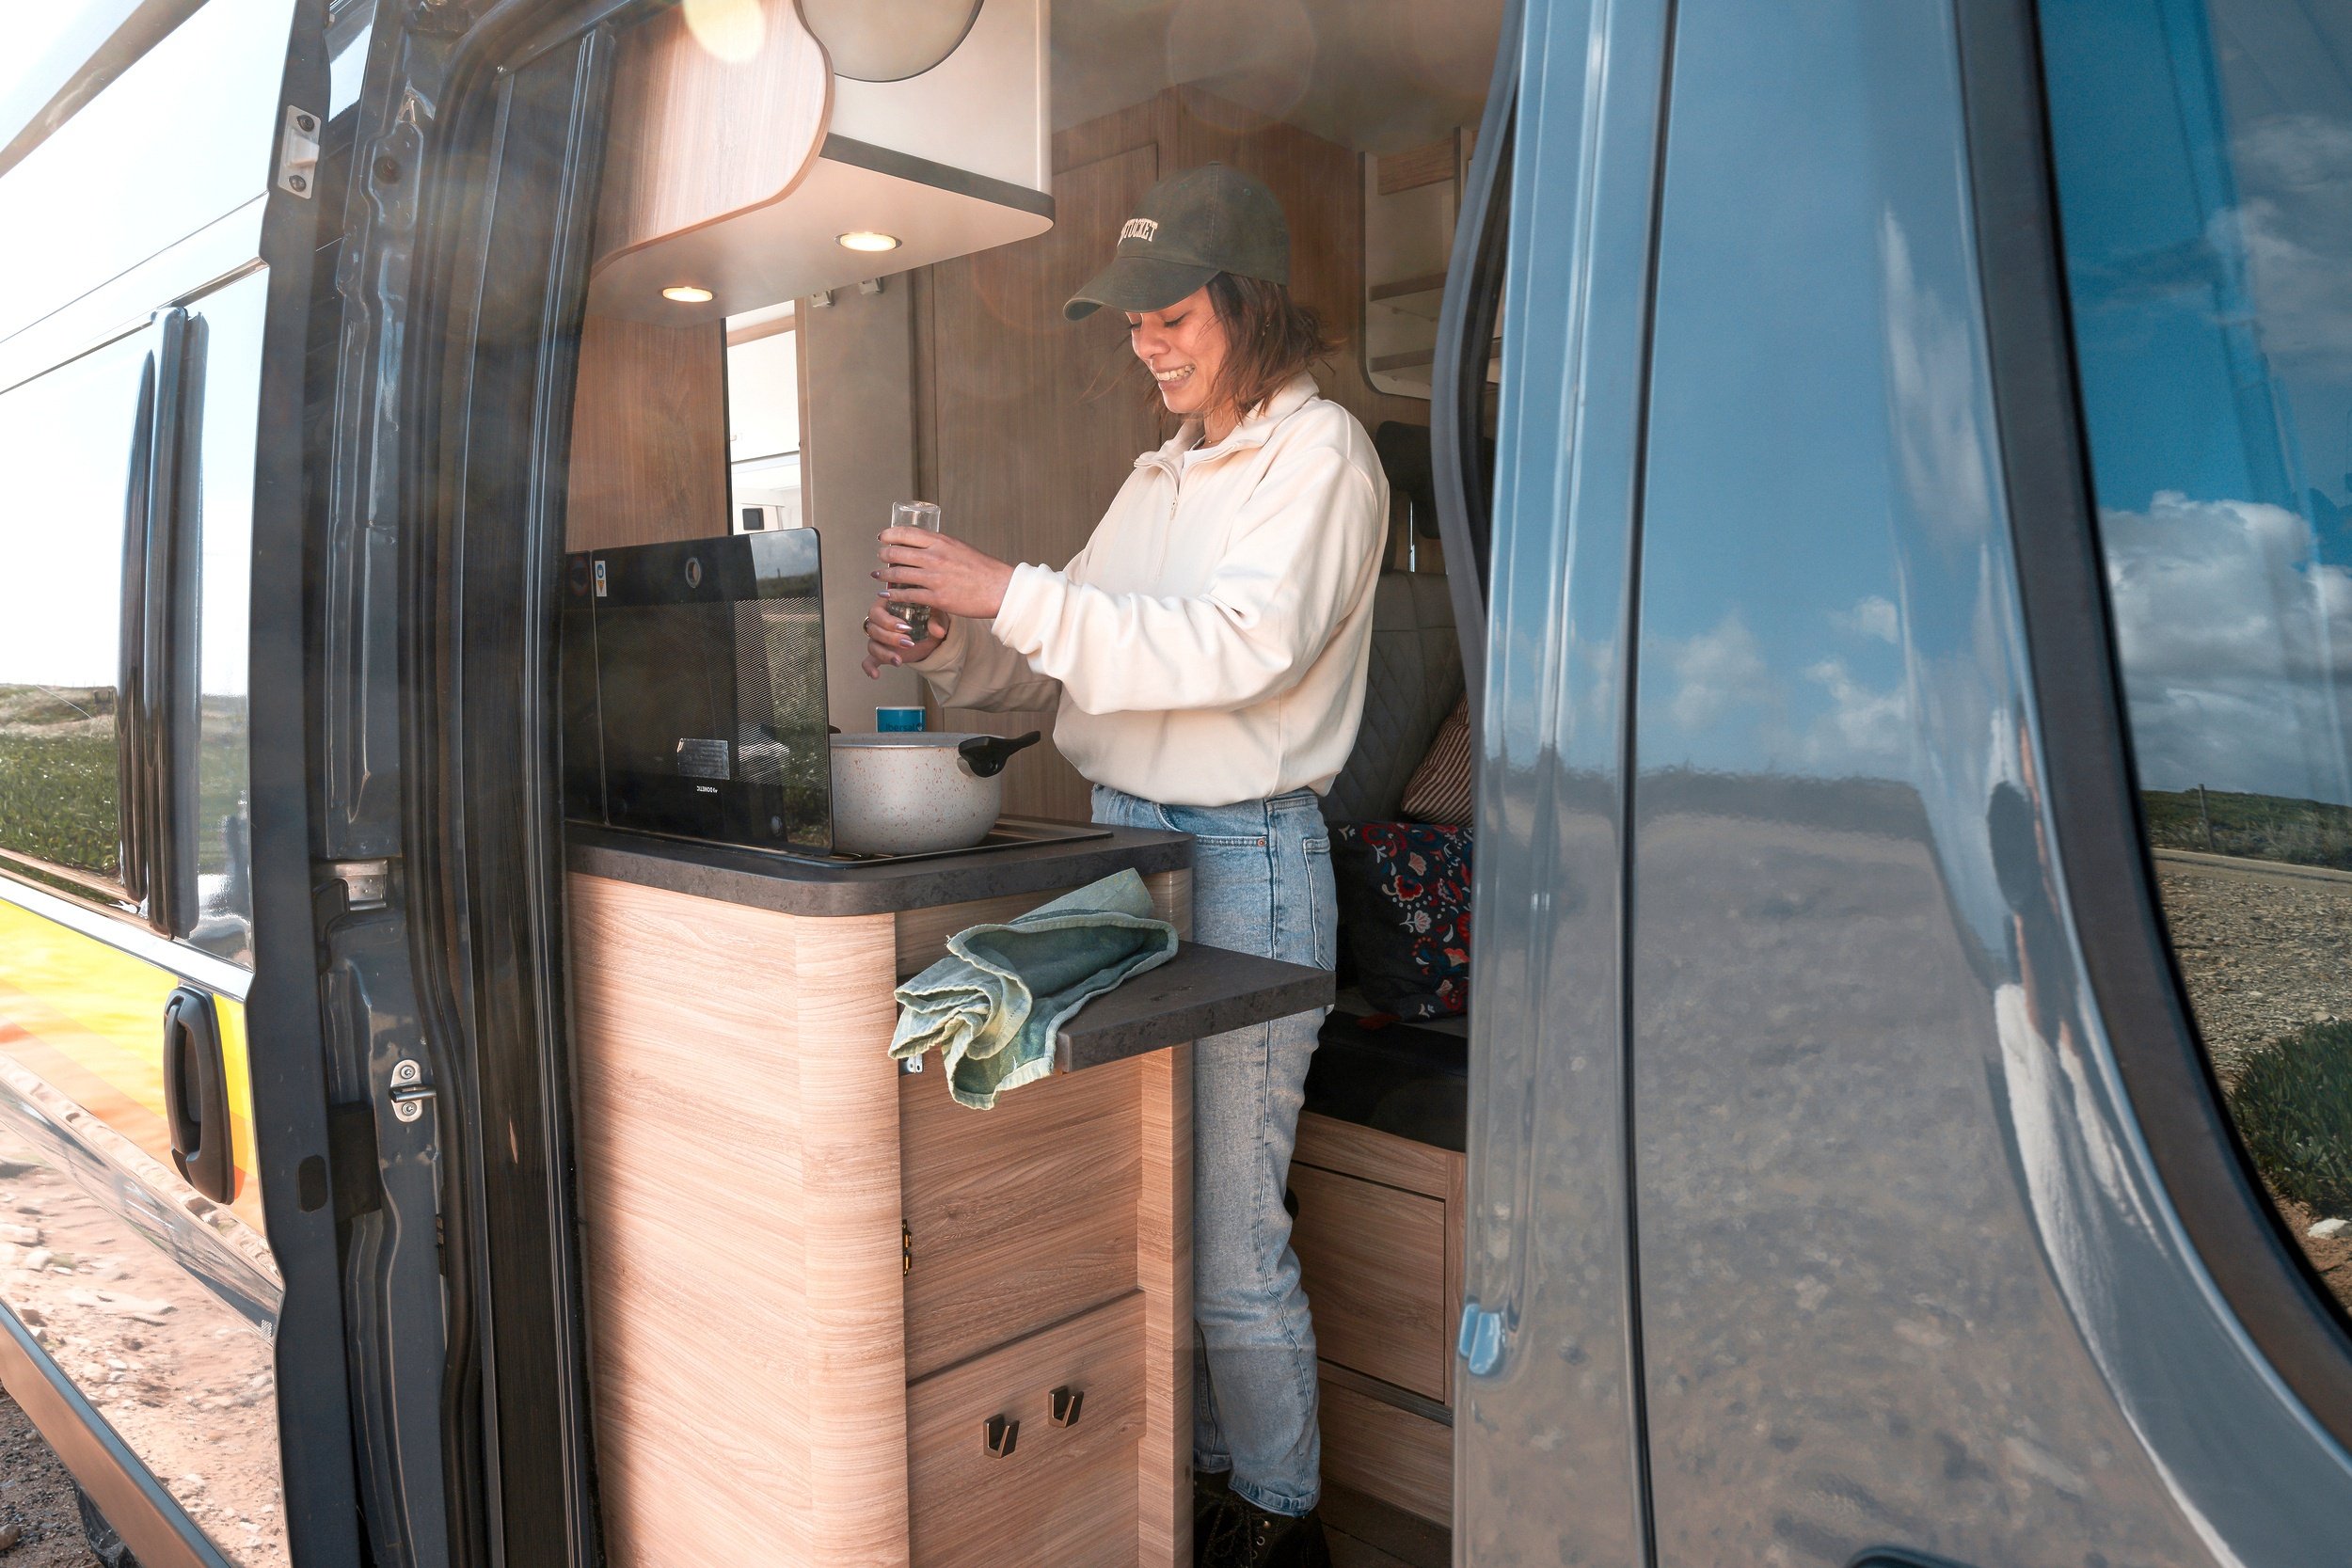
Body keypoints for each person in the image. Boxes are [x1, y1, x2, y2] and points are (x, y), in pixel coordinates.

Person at [862, 163, 1387, 1568]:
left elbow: (1235, 652)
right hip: (1133, 852)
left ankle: (1276, 1519)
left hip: (1248, 853)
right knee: (1157, 1219)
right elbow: (1063, 668)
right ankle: (1199, 1491)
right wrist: (957, 645)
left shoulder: (1322, 455)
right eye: (1134, 321)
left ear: (1249, 304)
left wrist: (1006, 590)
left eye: (1170, 314)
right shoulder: (1158, 474)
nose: (1145, 342)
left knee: (1229, 1235)